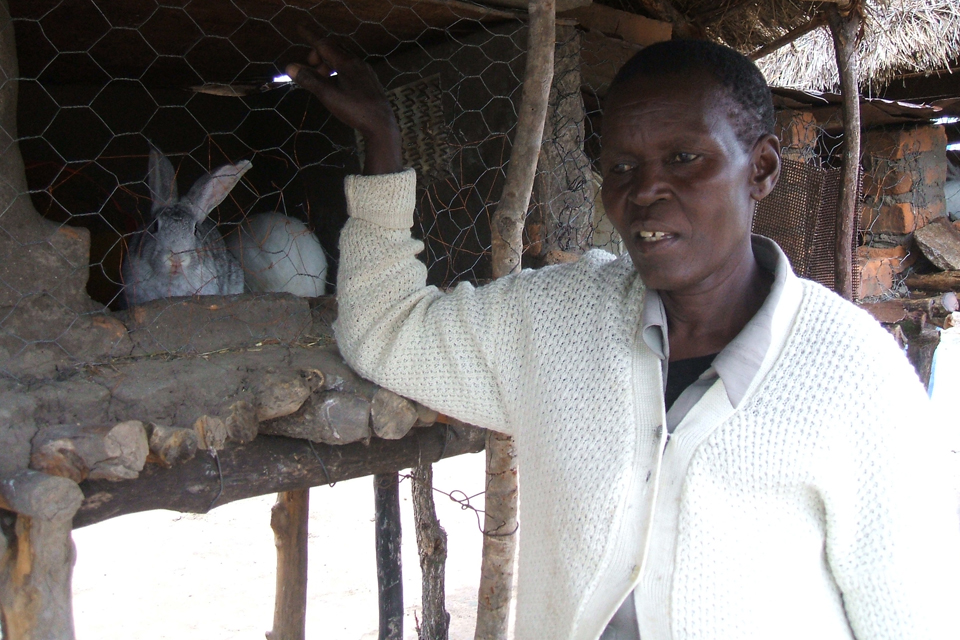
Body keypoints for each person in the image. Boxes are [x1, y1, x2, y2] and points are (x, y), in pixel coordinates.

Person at [287, 38, 960, 639]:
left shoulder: (853, 376)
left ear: (761, 170)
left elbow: (914, 618)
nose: (645, 193)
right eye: (622, 168)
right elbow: (385, 332)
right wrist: (383, 143)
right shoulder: (552, 323)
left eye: (684, 158)